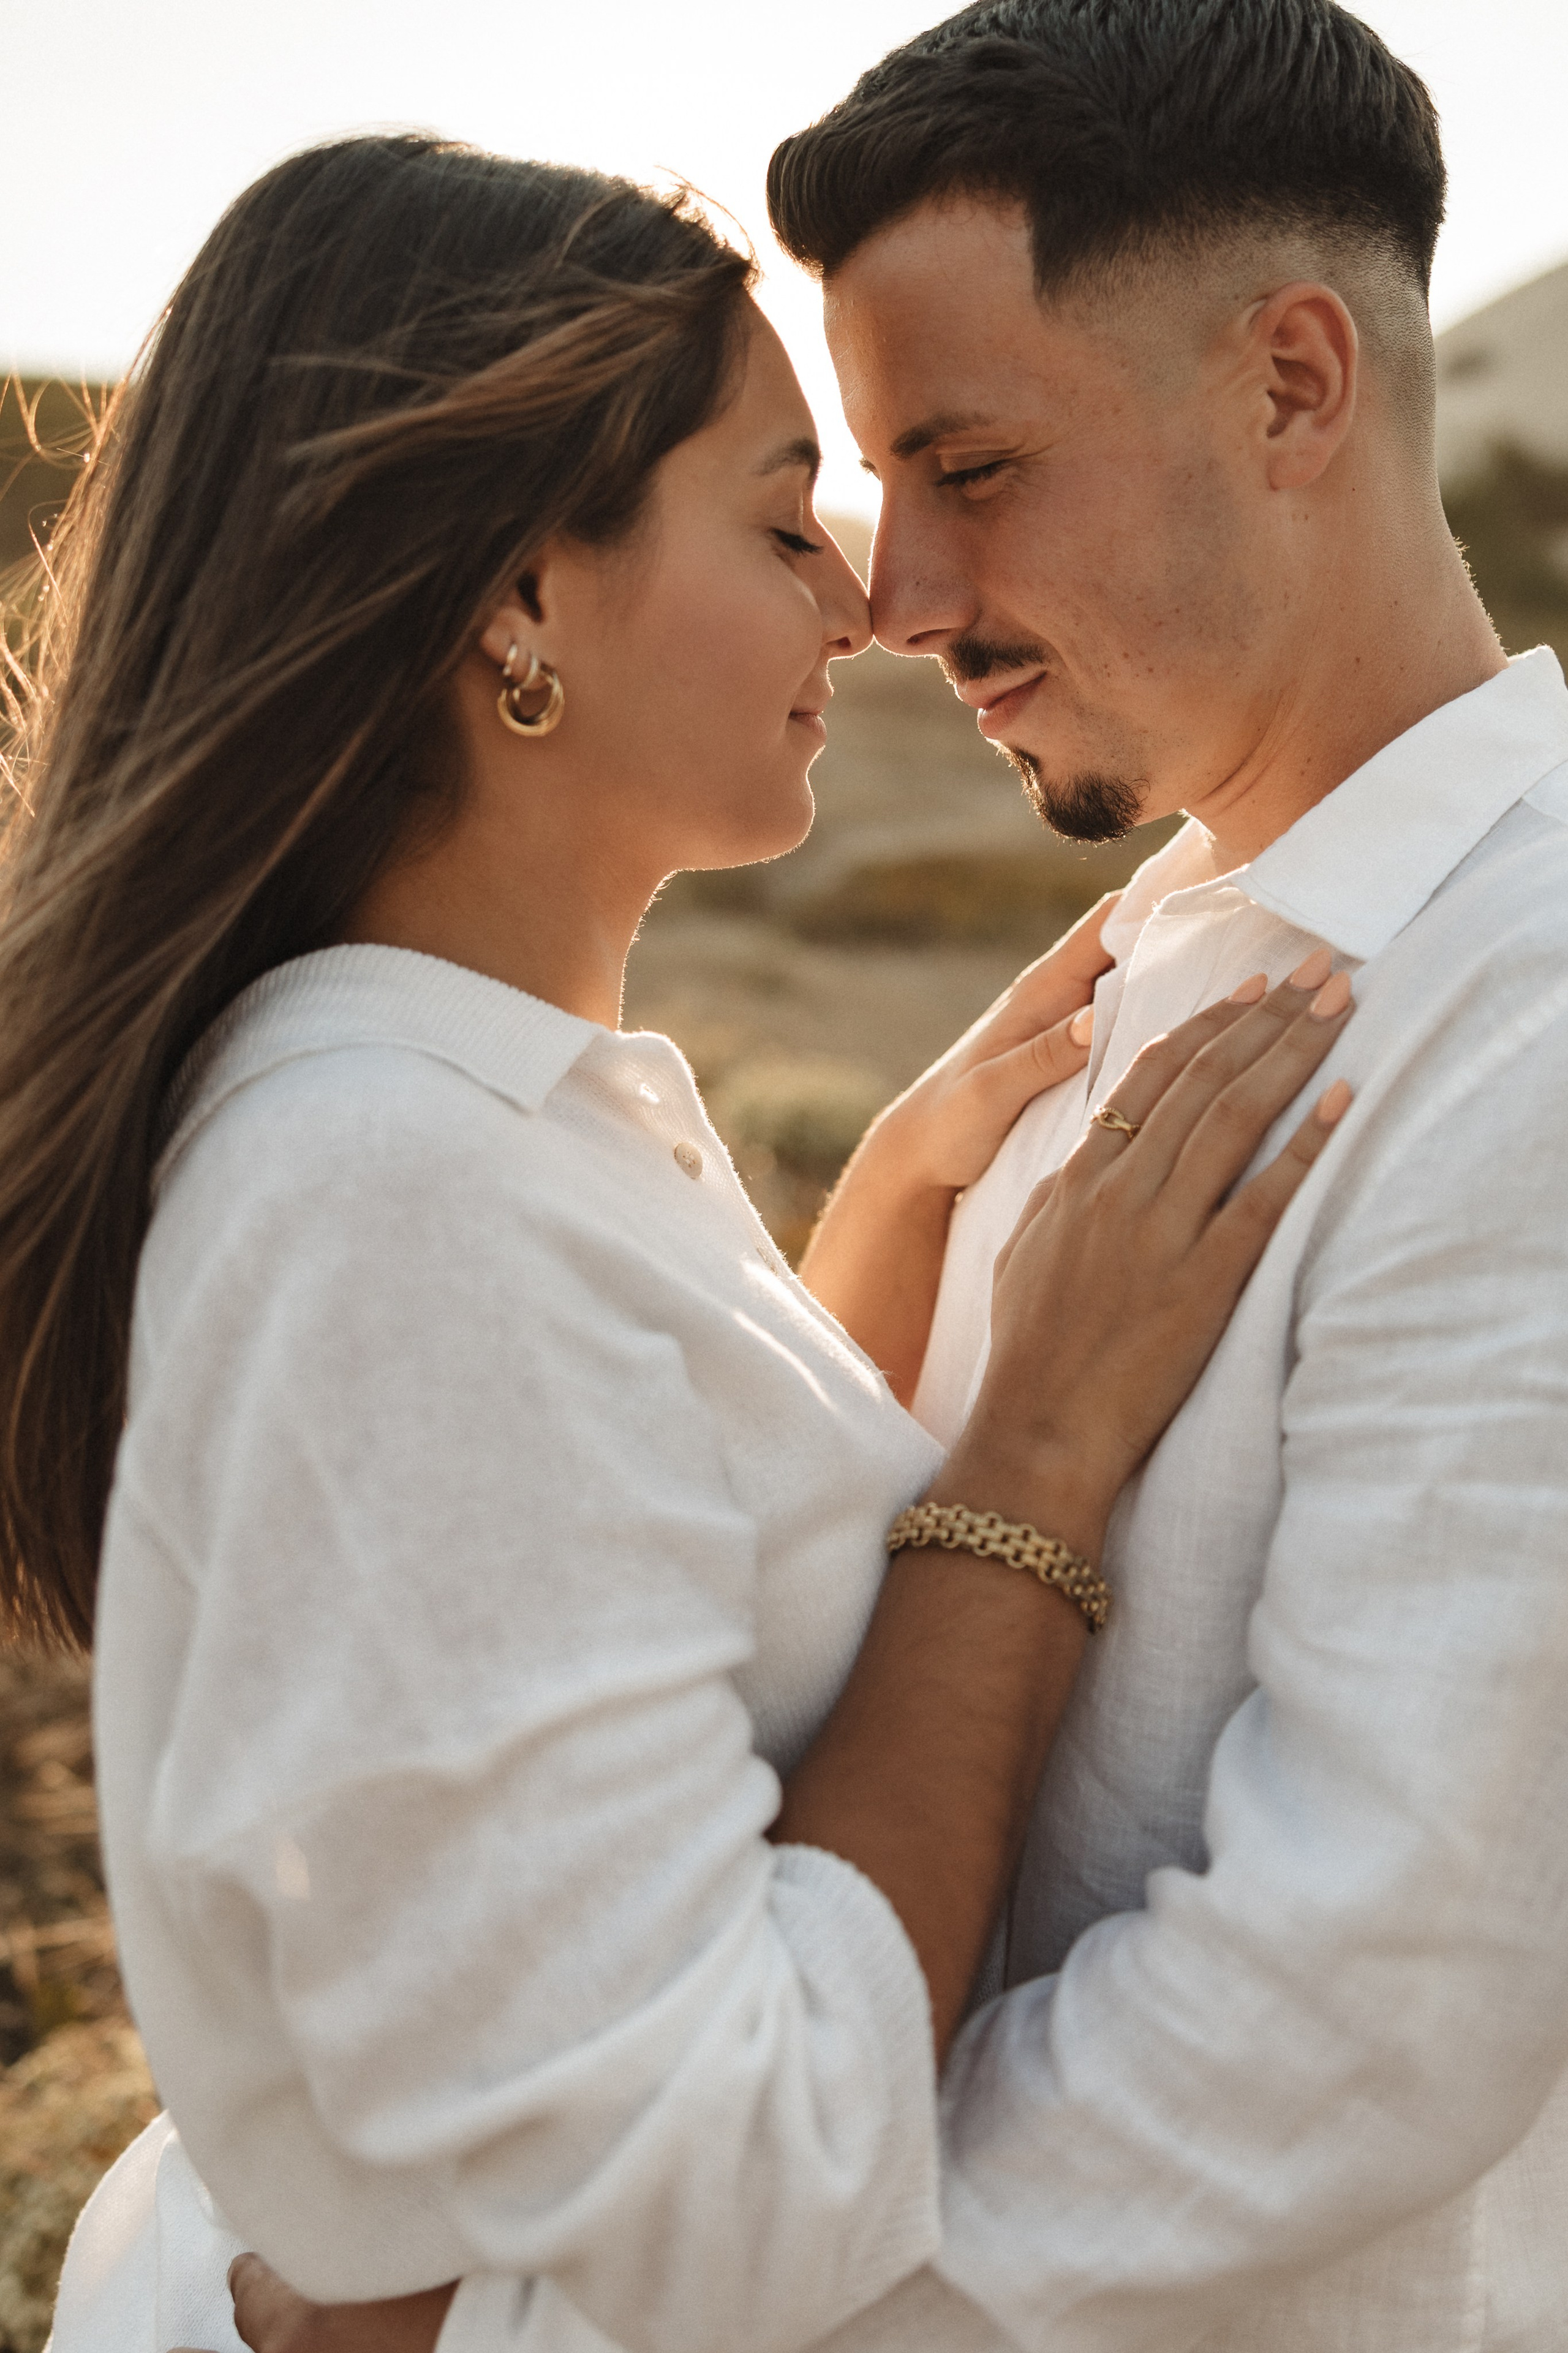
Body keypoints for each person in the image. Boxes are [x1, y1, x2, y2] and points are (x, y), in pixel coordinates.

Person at [226, 1, 1568, 2347]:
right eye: (864, 485)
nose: (899, 596)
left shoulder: (1525, 1020)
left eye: (972, 465)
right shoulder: (1149, 951)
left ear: (1291, 386)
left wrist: (590, 2311)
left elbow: (1358, 1995)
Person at [0, 137, 1348, 2353]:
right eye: (774, 510)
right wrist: (1033, 1447)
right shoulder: (389, 1197)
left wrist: (878, 1253)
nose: (863, 600)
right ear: (515, 603)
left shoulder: (485, 1122)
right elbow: (747, 2183)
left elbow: (603, 1614)